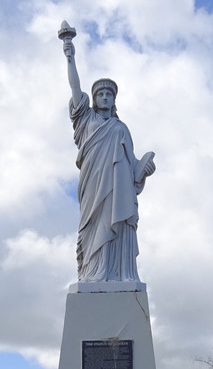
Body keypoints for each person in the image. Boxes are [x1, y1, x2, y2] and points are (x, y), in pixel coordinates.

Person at [62, 28, 156, 283]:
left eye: (109, 94)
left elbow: (131, 163)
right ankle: (93, 272)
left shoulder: (121, 127)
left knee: (119, 221)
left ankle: (120, 272)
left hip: (118, 187)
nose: (104, 97)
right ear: (94, 99)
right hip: (93, 184)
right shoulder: (86, 119)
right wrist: (70, 56)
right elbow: (75, 87)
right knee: (93, 226)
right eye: (100, 94)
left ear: (114, 100)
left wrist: (143, 170)